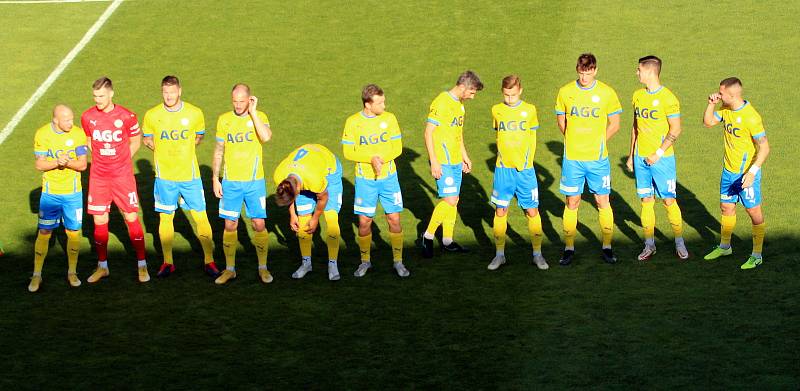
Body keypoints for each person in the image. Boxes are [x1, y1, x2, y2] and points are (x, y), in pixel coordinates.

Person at [142, 75, 220, 278]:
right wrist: (155, 146)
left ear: (179, 91)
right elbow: (147, 138)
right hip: (164, 176)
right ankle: (168, 262)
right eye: (165, 92)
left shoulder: (194, 113)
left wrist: (182, 149)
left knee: (200, 216)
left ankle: (209, 260)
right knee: (166, 218)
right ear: (162, 92)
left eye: (172, 92)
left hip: (189, 176)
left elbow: (199, 136)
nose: (169, 96)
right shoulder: (152, 115)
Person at [554, 53, 622, 265]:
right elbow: (561, 121)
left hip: (597, 160)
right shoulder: (565, 92)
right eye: (581, 72)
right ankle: (568, 248)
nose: (584, 77)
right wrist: (573, 140)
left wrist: (599, 142)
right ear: (577, 70)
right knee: (572, 201)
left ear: (595, 70)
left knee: (602, 201)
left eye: (588, 72)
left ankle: (607, 247)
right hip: (573, 159)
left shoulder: (606, 93)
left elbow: (615, 124)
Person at [81, 77, 149, 283]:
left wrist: (123, 159)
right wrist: (101, 157)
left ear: (111, 94)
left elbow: (136, 140)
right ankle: (102, 266)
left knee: (130, 217)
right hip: (99, 176)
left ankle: (142, 264)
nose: (97, 100)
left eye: (101, 96)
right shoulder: (87, 117)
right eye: (95, 96)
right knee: (100, 220)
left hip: (122, 176)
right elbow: (88, 139)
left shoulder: (127, 116)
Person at [341, 84, 409, 277]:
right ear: (367, 104)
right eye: (380, 102)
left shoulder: (390, 118)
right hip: (365, 180)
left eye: (383, 101)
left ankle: (398, 261)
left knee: (394, 219)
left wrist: (381, 159)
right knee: (364, 222)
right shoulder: (353, 122)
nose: (384, 106)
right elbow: (348, 151)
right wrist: (370, 159)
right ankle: (365, 261)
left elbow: (397, 147)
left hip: (389, 178)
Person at [702, 77, 770, 269]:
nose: (718, 94)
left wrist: (752, 172)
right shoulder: (725, 109)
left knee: (753, 211)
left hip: (746, 174)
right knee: (726, 207)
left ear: (732, 95)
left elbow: (765, 147)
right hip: (728, 171)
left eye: (721, 93)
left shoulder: (751, 117)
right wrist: (711, 104)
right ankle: (725, 246)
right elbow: (707, 123)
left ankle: (757, 254)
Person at [626, 56, 689, 260]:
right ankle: (649, 244)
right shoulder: (637, 95)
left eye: (639, 70)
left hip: (662, 159)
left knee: (669, 200)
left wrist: (658, 153)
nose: (636, 73)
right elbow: (635, 127)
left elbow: (676, 129)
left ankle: (679, 242)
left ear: (650, 72)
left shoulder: (668, 98)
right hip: (640, 157)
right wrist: (631, 155)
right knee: (646, 200)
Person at [212, 83, 272, 284]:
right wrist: (215, 178)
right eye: (235, 101)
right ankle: (230, 269)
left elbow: (266, 137)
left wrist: (253, 113)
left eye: (242, 101)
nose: (238, 106)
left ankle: (262, 267)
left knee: (259, 223)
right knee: (230, 224)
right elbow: (219, 150)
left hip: (255, 182)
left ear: (249, 99)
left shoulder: (260, 117)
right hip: (231, 183)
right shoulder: (224, 120)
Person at [487, 75, 548, 271]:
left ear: (520, 91)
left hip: (525, 172)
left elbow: (533, 138)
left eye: (513, 94)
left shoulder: (530, 110)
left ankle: (537, 254)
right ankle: (499, 255)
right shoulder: (497, 110)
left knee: (532, 211)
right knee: (500, 210)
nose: (510, 98)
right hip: (503, 170)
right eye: (506, 95)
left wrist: (527, 162)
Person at [421, 71, 483, 258]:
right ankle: (428, 236)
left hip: (455, 159)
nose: (473, 97)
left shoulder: (460, 105)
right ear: (463, 87)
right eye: (472, 92)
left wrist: (465, 156)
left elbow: (458, 133)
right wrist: (434, 161)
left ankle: (447, 241)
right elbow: (428, 133)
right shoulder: (441, 102)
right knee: (449, 200)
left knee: (454, 200)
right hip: (443, 160)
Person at [29, 105, 88, 292]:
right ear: (56, 120)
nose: (71, 122)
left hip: (73, 194)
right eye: (67, 120)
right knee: (44, 233)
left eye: (72, 118)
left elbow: (83, 164)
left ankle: (72, 272)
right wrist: (57, 162)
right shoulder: (42, 134)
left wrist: (67, 162)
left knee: (73, 232)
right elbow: (39, 164)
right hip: (50, 194)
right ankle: (37, 275)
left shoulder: (78, 134)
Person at [274, 144, 343, 280]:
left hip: (329, 170)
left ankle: (333, 264)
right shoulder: (279, 175)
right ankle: (306, 264)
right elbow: (289, 197)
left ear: (298, 189)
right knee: (302, 222)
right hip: (308, 168)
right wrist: (292, 214)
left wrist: (316, 218)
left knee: (331, 219)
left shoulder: (314, 180)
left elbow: (323, 198)